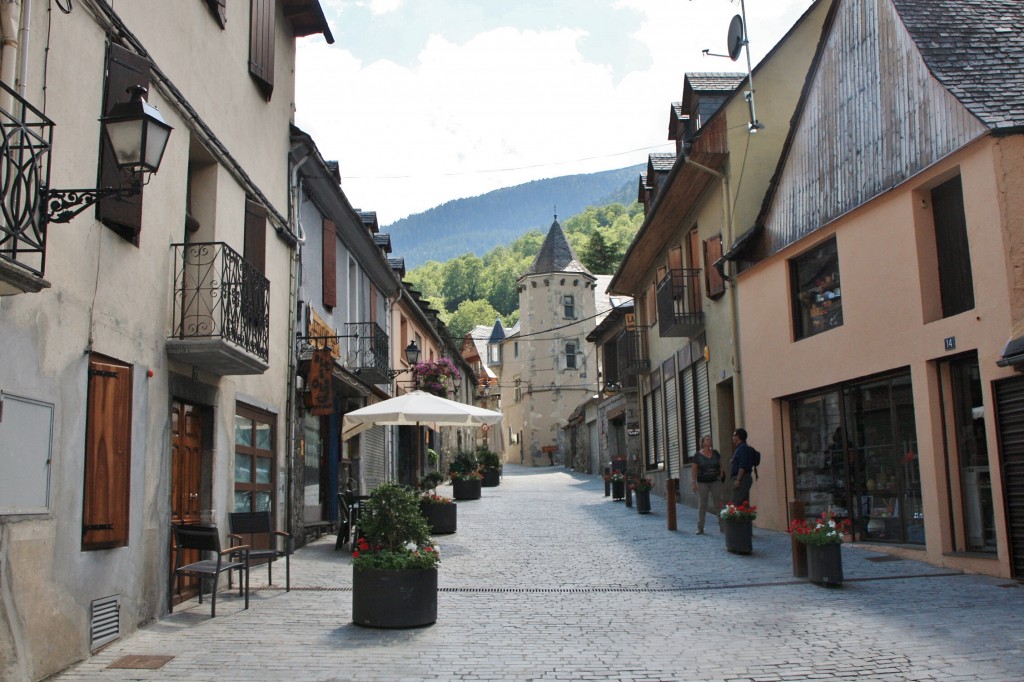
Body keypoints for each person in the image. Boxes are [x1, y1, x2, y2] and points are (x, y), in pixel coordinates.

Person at [691, 435, 725, 534]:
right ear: (702, 442)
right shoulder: (697, 455)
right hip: (702, 482)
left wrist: (721, 473)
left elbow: (720, 465)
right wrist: (693, 482)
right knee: (702, 504)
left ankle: (723, 526)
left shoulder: (715, 453)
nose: (709, 440)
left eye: (710, 439)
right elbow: (694, 469)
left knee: (718, 503)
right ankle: (700, 527)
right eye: (707, 439)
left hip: (715, 481)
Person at [730, 428, 756, 506]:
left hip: (742, 478)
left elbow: (742, 465)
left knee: (735, 503)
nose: (732, 437)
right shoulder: (742, 448)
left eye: (734, 435)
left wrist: (738, 479)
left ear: (738, 437)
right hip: (744, 478)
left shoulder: (742, 448)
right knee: (744, 504)